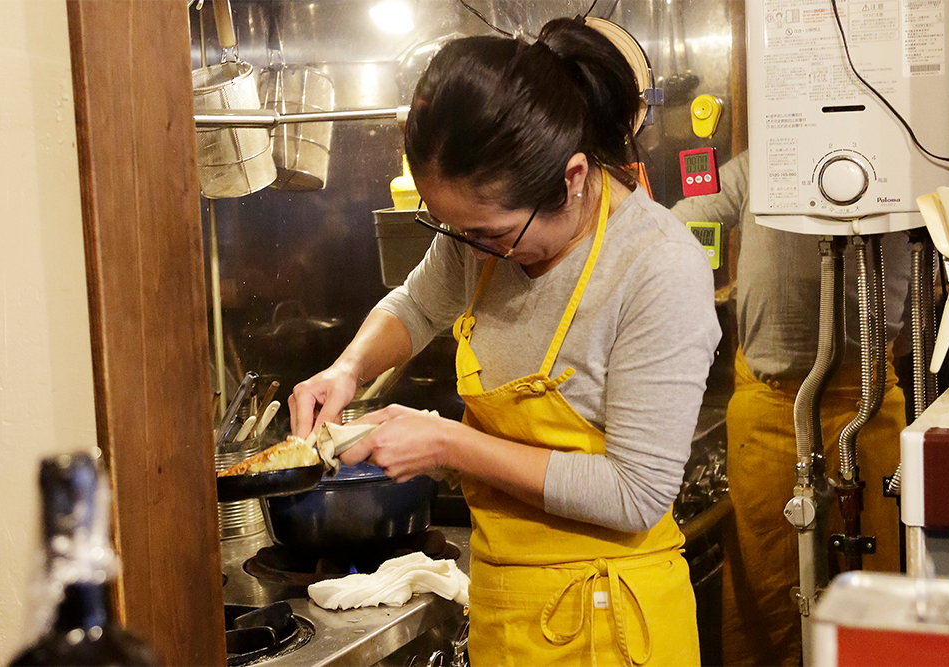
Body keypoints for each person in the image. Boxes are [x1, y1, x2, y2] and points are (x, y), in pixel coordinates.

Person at [289, 17, 722, 666]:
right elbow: (416, 302)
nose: (473, 247)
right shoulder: (482, 236)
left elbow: (635, 493)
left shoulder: (656, 269)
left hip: (612, 628)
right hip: (507, 609)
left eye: (490, 232)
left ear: (572, 178)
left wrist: (447, 442)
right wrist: (347, 369)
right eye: (453, 228)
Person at [671, 151, 909, 666]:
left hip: (865, 399)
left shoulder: (904, 151)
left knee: (879, 589)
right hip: (769, 404)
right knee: (766, 597)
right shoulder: (765, 158)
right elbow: (686, 218)